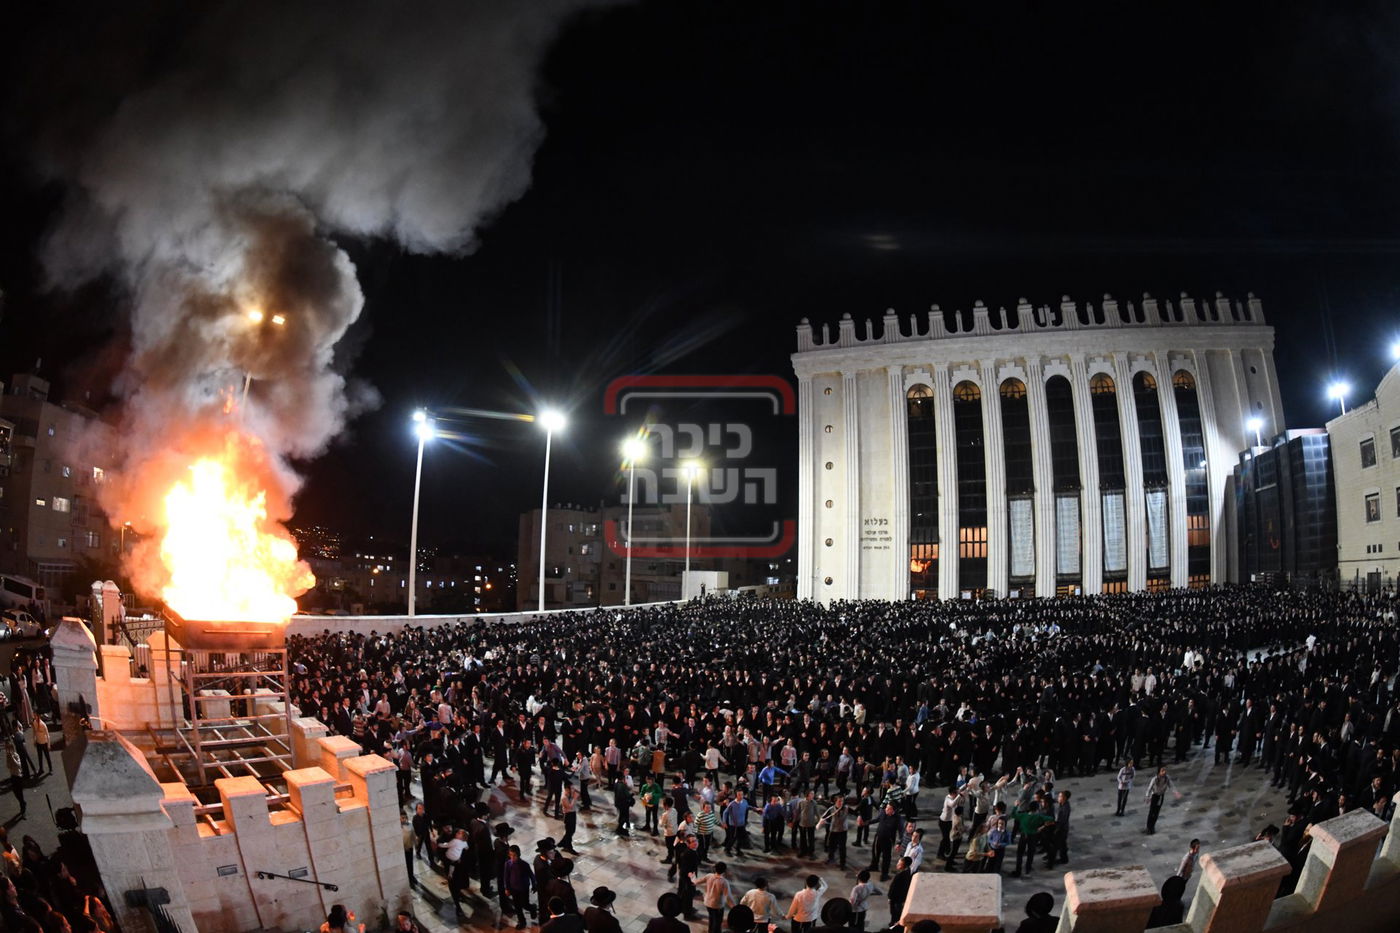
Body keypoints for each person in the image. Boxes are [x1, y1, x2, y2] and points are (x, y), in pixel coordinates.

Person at [701, 862, 738, 933]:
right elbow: (728, 897)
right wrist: (734, 908)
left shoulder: (709, 876)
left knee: (711, 918)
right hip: (717, 905)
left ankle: (710, 931)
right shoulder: (724, 882)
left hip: (708, 903)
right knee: (717, 921)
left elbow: (699, 881)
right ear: (724, 871)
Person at [1144, 766, 1182, 835]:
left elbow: (1171, 785)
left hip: (1161, 796)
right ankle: (1148, 827)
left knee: (1156, 813)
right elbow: (1149, 788)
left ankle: (1152, 826)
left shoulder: (1167, 778)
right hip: (1154, 796)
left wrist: (1175, 792)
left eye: (1165, 770)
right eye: (1162, 771)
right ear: (1159, 772)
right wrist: (1147, 797)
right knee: (1151, 812)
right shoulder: (1155, 779)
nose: (1164, 772)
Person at [887, 857, 913, 926]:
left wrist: (890, 897)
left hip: (896, 899)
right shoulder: (908, 871)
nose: (897, 864)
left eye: (899, 864)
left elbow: (893, 888)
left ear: (905, 865)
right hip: (901, 898)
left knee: (894, 913)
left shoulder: (899, 875)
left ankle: (893, 925)